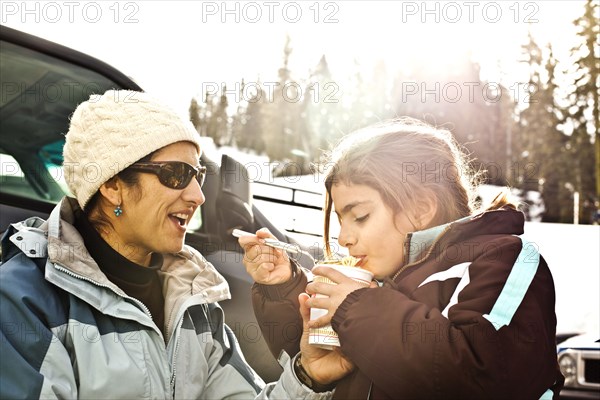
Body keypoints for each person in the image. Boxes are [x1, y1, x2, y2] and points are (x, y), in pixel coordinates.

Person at [0, 90, 352, 399]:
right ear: (111, 184)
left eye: (197, 175)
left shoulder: (194, 299)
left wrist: (306, 376)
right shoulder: (24, 302)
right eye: (176, 174)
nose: (198, 195)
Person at [238, 117, 564, 399]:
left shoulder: (504, 261)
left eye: (360, 216)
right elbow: (324, 365)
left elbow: (485, 377)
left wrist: (358, 309)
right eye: (340, 220)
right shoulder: (382, 281)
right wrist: (282, 289)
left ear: (421, 208)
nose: (343, 238)